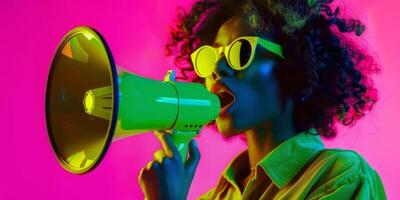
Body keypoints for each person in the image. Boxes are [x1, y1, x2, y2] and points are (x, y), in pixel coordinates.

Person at [139, 0, 386, 199]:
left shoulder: (341, 178)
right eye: (210, 56)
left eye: (241, 51)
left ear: (294, 65)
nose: (216, 68)